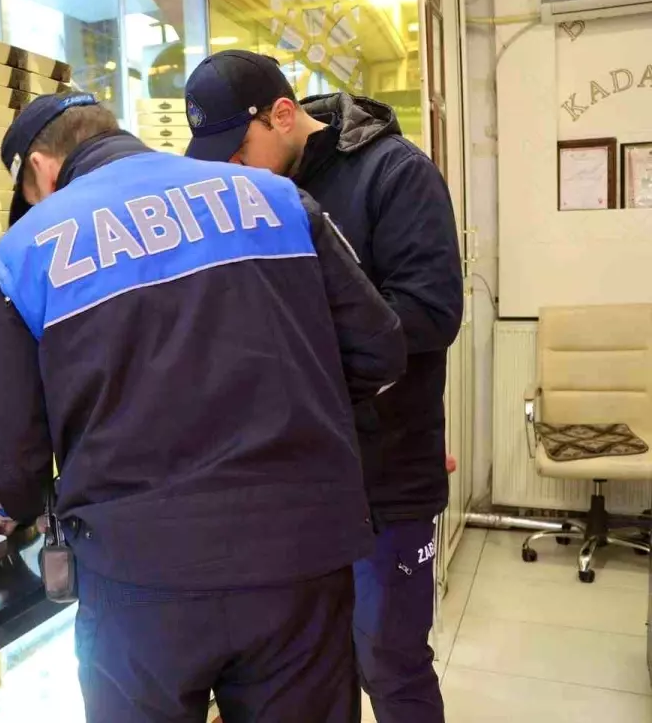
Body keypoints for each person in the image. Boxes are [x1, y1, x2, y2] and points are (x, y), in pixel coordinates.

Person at [0, 91, 407, 722]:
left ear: (40, 167)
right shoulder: (275, 198)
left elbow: (8, 464)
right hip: (299, 552)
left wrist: (23, 503)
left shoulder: (21, 254)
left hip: (137, 576)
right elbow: (381, 350)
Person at [183, 50, 465, 723]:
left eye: (239, 149)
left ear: (282, 115)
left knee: (390, 660)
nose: (234, 168)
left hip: (387, 474)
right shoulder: (251, 194)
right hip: (296, 483)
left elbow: (431, 314)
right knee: (313, 668)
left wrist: (294, 358)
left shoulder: (395, 173)